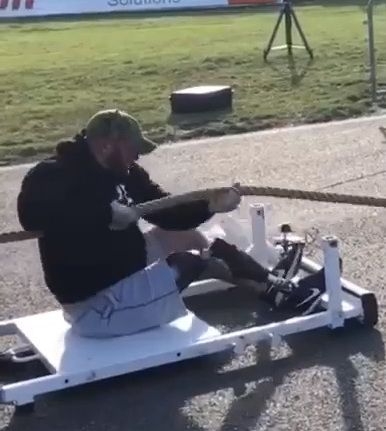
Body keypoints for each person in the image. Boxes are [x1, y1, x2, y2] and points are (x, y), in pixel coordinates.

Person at [16, 110, 328, 339]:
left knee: (189, 237)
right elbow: (31, 215)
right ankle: (280, 291)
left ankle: (263, 279)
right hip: (95, 304)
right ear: (107, 145)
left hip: (120, 266)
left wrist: (210, 206)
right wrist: (100, 214)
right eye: (133, 147)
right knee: (195, 263)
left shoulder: (127, 174)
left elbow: (168, 212)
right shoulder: (53, 174)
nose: (139, 154)